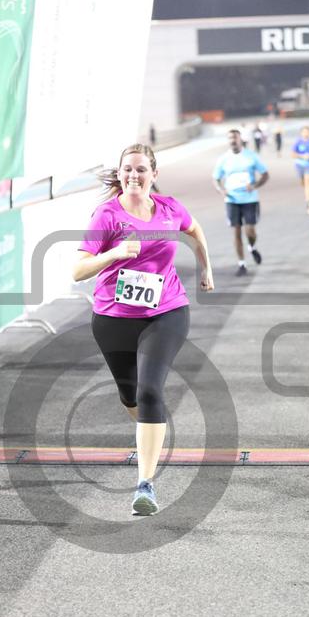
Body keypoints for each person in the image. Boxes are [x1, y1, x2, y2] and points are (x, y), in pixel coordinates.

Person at [74, 143, 214, 516]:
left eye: (140, 169)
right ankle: (149, 434)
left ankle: (145, 484)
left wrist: (206, 267)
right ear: (120, 174)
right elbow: (78, 270)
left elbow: (194, 228)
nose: (133, 175)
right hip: (114, 318)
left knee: (150, 391)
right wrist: (114, 254)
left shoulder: (170, 209)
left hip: (166, 311)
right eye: (127, 169)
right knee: (131, 397)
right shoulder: (106, 215)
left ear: (154, 174)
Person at [213, 129, 269, 276]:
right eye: (230, 138)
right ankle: (242, 264)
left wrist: (255, 186)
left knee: (250, 231)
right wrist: (221, 190)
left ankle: (252, 246)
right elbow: (216, 179)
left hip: (250, 199)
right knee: (236, 232)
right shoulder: (223, 159)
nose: (233, 140)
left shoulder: (251, 156)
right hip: (232, 200)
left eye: (235, 138)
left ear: (240, 139)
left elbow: (265, 174)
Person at [292, 126, 309, 203]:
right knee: (302, 181)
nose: (306, 133)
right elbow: (293, 154)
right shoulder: (298, 142)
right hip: (299, 164)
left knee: (308, 181)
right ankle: (304, 185)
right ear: (301, 133)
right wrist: (302, 156)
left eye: (307, 132)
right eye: (304, 132)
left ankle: (308, 198)